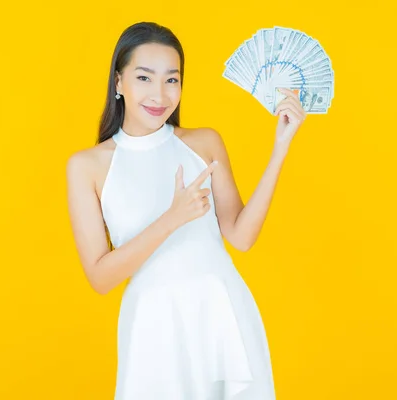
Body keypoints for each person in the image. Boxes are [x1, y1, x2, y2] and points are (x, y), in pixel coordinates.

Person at [65, 21, 306, 400]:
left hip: (224, 315)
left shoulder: (204, 142)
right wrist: (172, 219)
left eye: (172, 80)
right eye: (144, 78)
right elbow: (100, 277)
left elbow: (241, 237)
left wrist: (280, 148)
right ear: (118, 82)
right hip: (154, 328)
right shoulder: (88, 166)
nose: (159, 94)